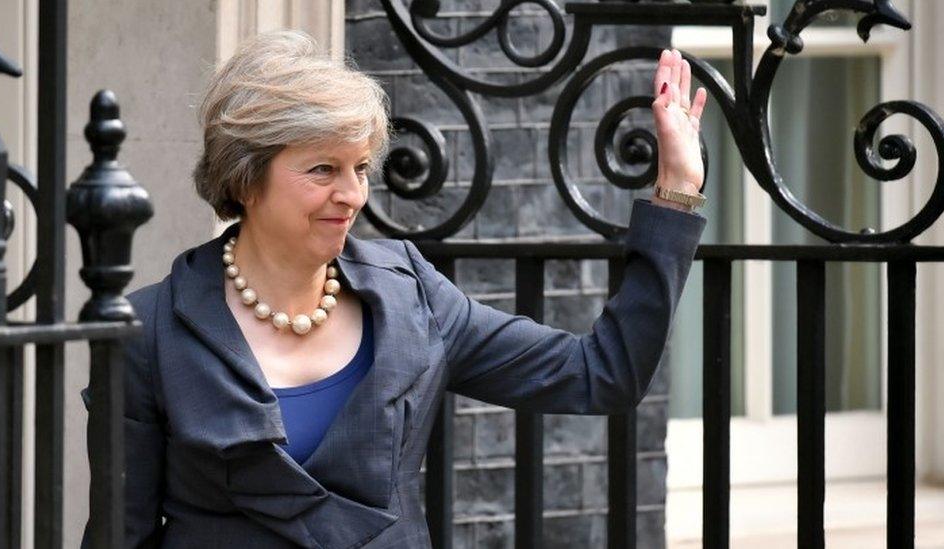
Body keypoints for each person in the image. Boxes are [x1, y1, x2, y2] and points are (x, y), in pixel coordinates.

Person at [80, 30, 708, 548]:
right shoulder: (151, 332)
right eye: (322, 169)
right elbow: (120, 534)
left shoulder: (413, 296)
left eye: (359, 167)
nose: (351, 195)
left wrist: (674, 194)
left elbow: (601, 374)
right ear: (245, 180)